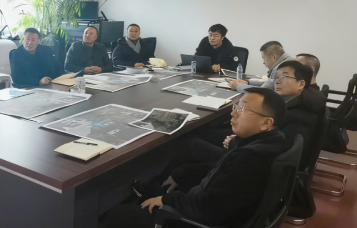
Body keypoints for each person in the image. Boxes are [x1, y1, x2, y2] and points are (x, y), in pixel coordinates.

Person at [134, 61, 325, 200]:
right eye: (277, 76)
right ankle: (169, 181)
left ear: (301, 84)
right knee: (199, 138)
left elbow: (275, 154)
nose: (277, 81)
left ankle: (159, 186)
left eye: (284, 76)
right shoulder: (300, 102)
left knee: (190, 144)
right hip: (251, 150)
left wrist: (237, 142)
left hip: (249, 164)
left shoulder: (300, 116)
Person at [105, 88, 288, 228]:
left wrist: (168, 200)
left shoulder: (248, 159)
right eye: (236, 106)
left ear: (266, 123)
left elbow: (207, 209)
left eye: (243, 109)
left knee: (116, 215)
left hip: (203, 220)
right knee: (184, 168)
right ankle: (157, 191)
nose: (234, 113)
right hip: (222, 205)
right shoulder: (274, 142)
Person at [228, 41, 292, 92]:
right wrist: (247, 82)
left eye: (264, 58)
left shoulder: (281, 68)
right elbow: (270, 83)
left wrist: (238, 86)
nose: (263, 62)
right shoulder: (288, 60)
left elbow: (263, 91)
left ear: (274, 57)